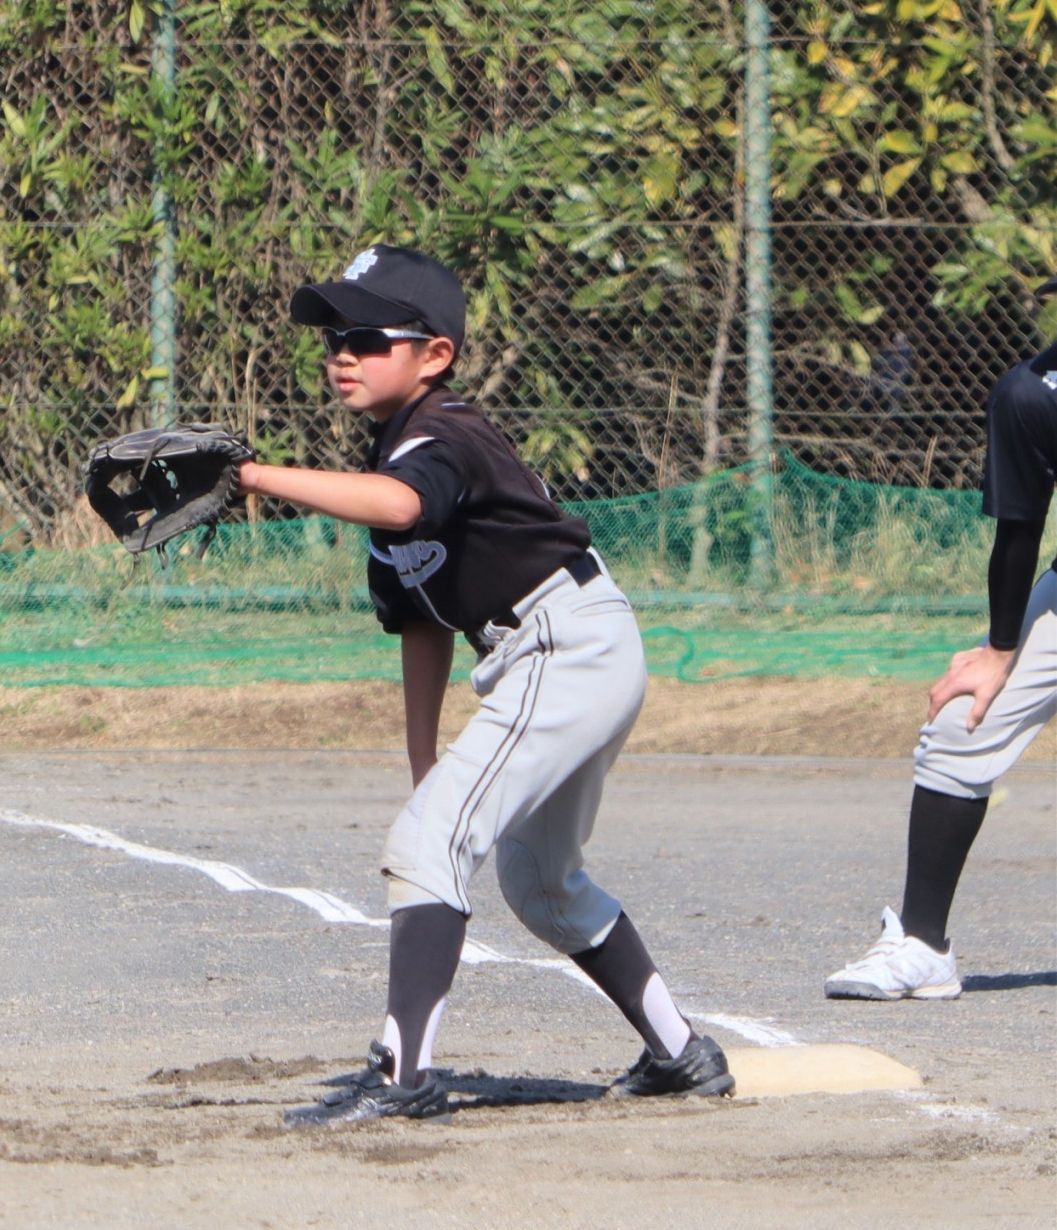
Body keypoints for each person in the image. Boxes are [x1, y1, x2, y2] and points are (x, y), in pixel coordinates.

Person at [238, 244, 733, 1125]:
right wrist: (425, 756)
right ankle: (681, 1054)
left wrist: (249, 477)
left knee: (427, 848)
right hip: (554, 651)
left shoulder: (444, 434)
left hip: (565, 644)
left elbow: (401, 508)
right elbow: (422, 619)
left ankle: (405, 1079)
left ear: (434, 356)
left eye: (366, 336)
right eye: (333, 338)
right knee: (541, 883)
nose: (340, 353)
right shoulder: (398, 447)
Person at [826, 276, 1057, 1001]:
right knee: (960, 726)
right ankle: (924, 947)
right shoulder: (1033, 395)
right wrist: (998, 649)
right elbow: (1019, 531)